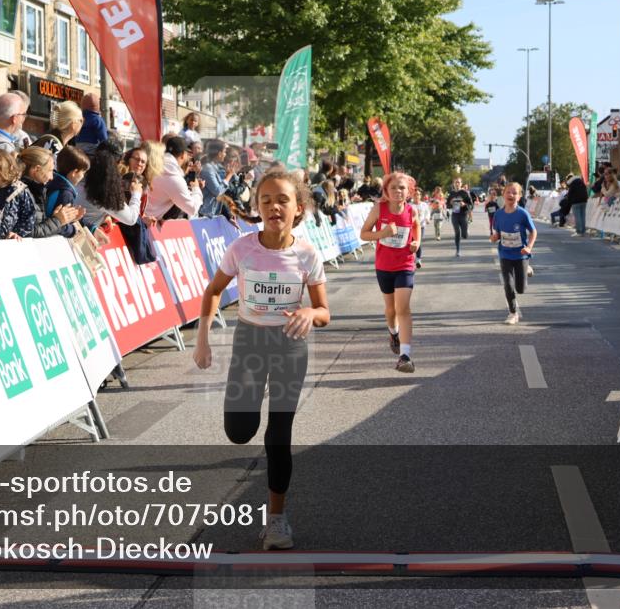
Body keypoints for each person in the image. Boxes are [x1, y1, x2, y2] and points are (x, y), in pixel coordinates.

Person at [193, 168, 330, 551]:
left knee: (279, 436)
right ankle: (248, 427)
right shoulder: (242, 248)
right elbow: (213, 291)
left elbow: (324, 311)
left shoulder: (306, 254)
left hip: (289, 346)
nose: (273, 206)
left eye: (282, 200)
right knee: (239, 431)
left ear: (297, 208)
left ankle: (276, 521)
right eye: (266, 200)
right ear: (258, 207)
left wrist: (308, 314)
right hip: (250, 343)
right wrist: (203, 340)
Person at [360, 173, 420, 373]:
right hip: (384, 265)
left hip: (405, 264)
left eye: (402, 188)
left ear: (408, 191)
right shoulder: (379, 209)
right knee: (391, 309)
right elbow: (364, 233)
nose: (398, 191)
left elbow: (417, 227)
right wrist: (382, 234)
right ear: (386, 190)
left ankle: (405, 356)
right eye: (393, 187)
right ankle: (393, 333)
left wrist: (416, 242)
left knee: (402, 307)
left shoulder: (412, 211)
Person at [490, 182, 537, 324]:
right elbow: (497, 233)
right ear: (503, 195)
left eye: (514, 193)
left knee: (520, 289)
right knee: (508, 285)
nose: (511, 195)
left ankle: (526, 268)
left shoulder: (522, 214)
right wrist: (494, 237)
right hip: (505, 254)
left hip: (521, 254)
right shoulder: (498, 214)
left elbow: (533, 231)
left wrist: (529, 247)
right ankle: (512, 313)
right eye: (508, 192)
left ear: (520, 196)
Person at [76, 141, 143, 232]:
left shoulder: (79, 171)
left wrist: (104, 216)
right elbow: (131, 219)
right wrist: (136, 194)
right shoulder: (105, 190)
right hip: (79, 235)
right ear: (117, 163)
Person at [19, 146, 84, 238]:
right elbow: (28, 232)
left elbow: (40, 222)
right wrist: (58, 221)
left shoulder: (38, 190)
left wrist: (66, 219)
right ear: (36, 170)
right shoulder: (23, 194)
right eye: (49, 171)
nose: (51, 177)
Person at [145, 136, 203, 221]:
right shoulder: (174, 177)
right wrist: (196, 189)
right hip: (147, 226)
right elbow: (192, 209)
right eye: (188, 154)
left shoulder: (155, 166)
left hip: (144, 220)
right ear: (183, 155)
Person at [46, 145, 90, 239]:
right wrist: (73, 229)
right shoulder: (66, 194)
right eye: (83, 172)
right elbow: (60, 224)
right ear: (74, 172)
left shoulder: (53, 179)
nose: (83, 176)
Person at [446, 177, 472, 257]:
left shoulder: (465, 193)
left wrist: (464, 204)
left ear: (461, 184)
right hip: (455, 215)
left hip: (463, 214)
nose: (457, 184)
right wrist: (450, 203)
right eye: (455, 182)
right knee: (457, 232)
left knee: (464, 235)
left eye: (458, 182)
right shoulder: (451, 194)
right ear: (453, 184)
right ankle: (457, 250)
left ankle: (466, 232)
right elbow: (448, 205)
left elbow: (471, 205)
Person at [413, 188, 430, 269]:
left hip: (421, 226)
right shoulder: (409, 205)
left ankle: (418, 259)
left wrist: (427, 218)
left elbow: (427, 213)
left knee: (418, 242)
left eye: (418, 194)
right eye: (415, 194)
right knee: (410, 243)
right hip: (411, 227)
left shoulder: (424, 205)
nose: (417, 196)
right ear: (412, 196)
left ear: (421, 196)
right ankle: (409, 258)